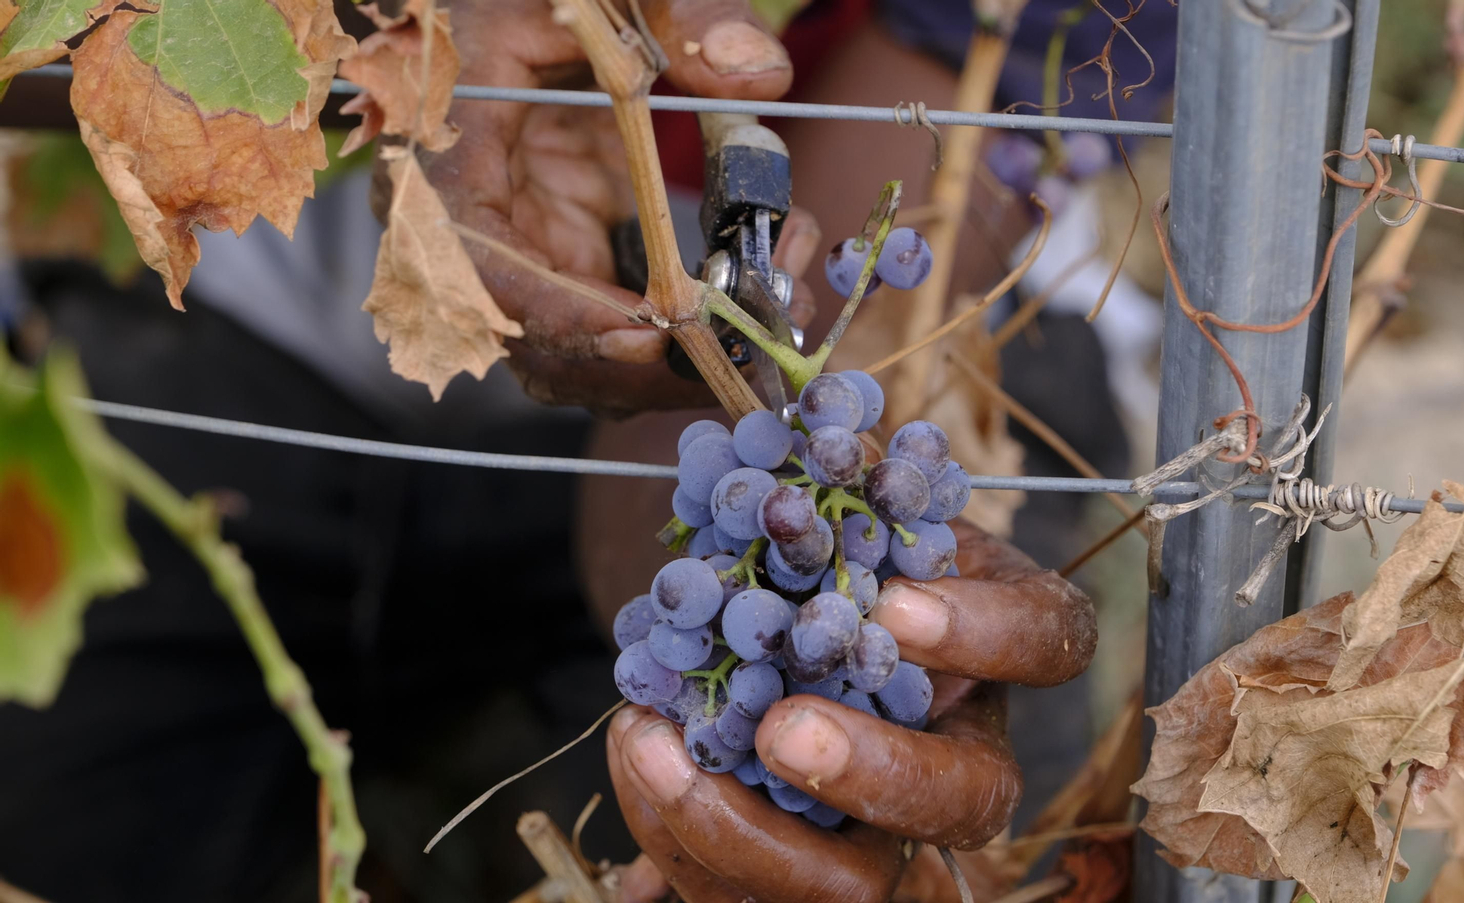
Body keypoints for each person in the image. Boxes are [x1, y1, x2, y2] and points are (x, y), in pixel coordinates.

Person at [0, 1, 1174, 900]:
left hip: (700, 388)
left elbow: (827, 311)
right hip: (230, 314)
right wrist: (408, 40)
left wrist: (744, 507)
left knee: (923, 834)